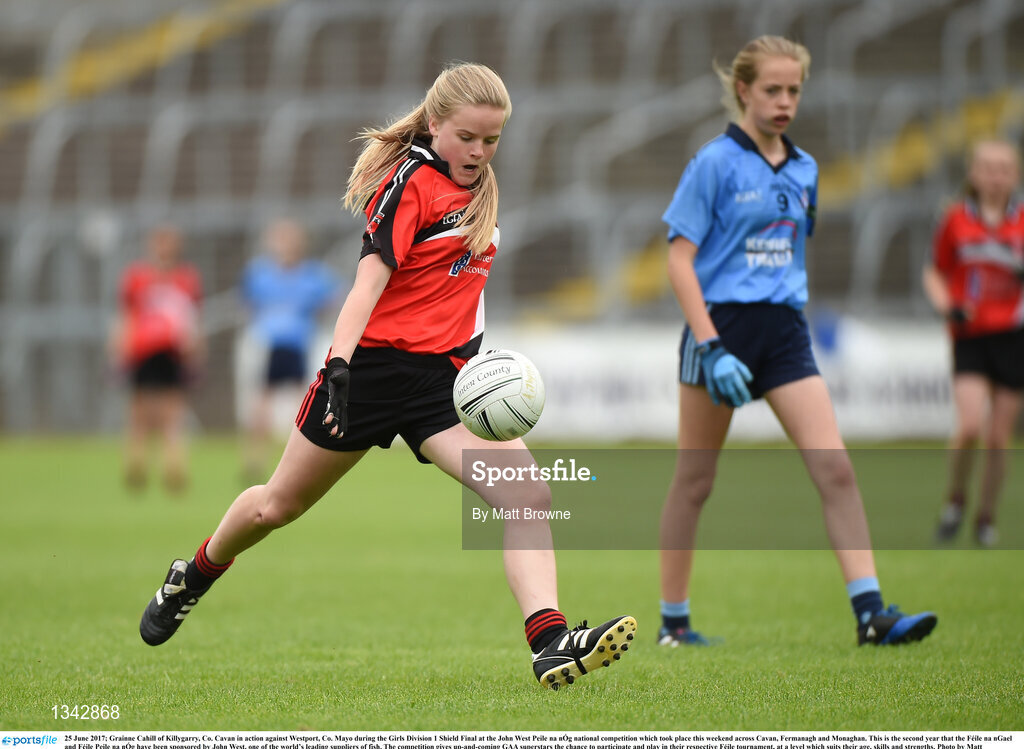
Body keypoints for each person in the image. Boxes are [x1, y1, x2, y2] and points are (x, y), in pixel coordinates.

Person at [138, 62, 635, 690]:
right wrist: (339, 363)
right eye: (468, 138)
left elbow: (461, 291)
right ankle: (198, 572)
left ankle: (549, 643)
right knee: (274, 507)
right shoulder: (411, 184)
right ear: (435, 125)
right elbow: (368, 280)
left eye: (492, 140)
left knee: (528, 494)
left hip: (443, 387)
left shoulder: (479, 186)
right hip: (367, 375)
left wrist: (479, 361)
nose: (479, 152)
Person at [657, 36, 937, 648]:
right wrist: (709, 346)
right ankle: (673, 625)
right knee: (695, 482)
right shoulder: (713, 163)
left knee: (834, 469)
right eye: (772, 90)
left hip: (785, 332)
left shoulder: (806, 168)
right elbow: (680, 262)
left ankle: (871, 615)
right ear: (743, 91)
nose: (785, 102)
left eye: (794, 90)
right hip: (720, 329)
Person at [922, 139, 1024, 548]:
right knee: (968, 426)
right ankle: (955, 500)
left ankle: (986, 519)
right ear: (974, 174)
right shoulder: (955, 220)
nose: (996, 176)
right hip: (970, 336)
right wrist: (947, 306)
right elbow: (935, 272)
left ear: (1014, 175)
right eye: (989, 168)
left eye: (1004, 169)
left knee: (999, 436)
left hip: (1014, 337)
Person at [240, 218, 344, 482]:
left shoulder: (312, 275)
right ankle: (255, 457)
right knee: (262, 402)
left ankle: (301, 457)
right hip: (270, 346)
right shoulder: (261, 273)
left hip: (297, 345)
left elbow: (335, 297)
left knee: (303, 402)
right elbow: (248, 301)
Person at [109, 223, 203, 494]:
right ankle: (135, 466)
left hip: (171, 352)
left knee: (172, 414)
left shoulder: (186, 279)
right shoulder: (137, 278)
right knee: (139, 414)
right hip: (142, 352)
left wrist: (195, 352)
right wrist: (120, 351)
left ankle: (174, 469)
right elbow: (126, 318)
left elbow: (192, 321)